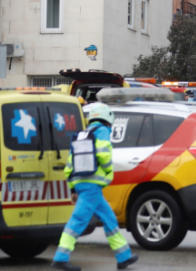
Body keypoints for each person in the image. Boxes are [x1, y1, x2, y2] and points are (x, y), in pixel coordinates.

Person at [52, 103, 138, 271]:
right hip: (93, 185)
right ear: (108, 120)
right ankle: (61, 257)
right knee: (78, 220)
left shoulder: (81, 135)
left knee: (109, 219)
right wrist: (108, 170)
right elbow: (103, 153)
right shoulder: (102, 131)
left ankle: (124, 257)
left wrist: (72, 189)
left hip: (82, 184)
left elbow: (69, 166)